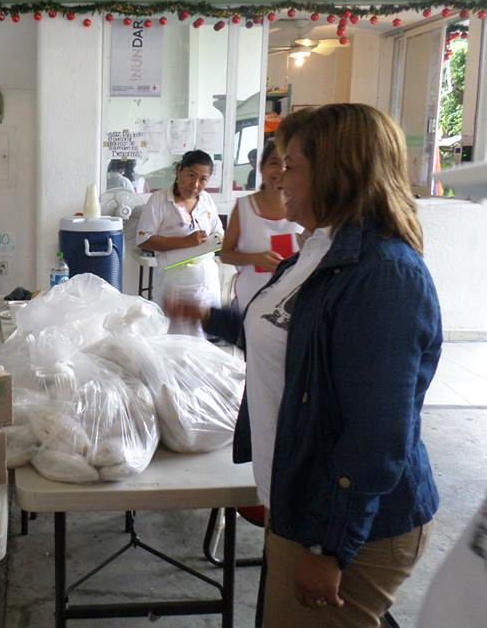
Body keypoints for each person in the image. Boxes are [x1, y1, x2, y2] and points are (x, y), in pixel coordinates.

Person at [168, 104, 440, 627]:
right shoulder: (316, 251)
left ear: (337, 172)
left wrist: (331, 548)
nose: (278, 178)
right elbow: (293, 339)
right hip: (297, 498)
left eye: (291, 166)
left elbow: (377, 432)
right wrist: (208, 318)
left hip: (348, 525)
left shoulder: (384, 276)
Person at [135, 149, 223, 336]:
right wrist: (185, 241)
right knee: (175, 340)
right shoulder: (159, 200)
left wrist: (218, 240)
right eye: (191, 175)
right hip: (176, 283)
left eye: (203, 179)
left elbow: (218, 232)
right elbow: (144, 240)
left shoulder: (206, 200)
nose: (196, 184)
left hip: (207, 282)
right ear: (179, 170)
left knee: (203, 339)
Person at [219, 138, 304, 312]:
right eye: (274, 163)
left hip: (292, 307)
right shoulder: (244, 207)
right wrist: (254, 258)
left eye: (287, 165)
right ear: (261, 168)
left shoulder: (304, 207)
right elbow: (225, 255)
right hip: (250, 305)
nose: (281, 170)